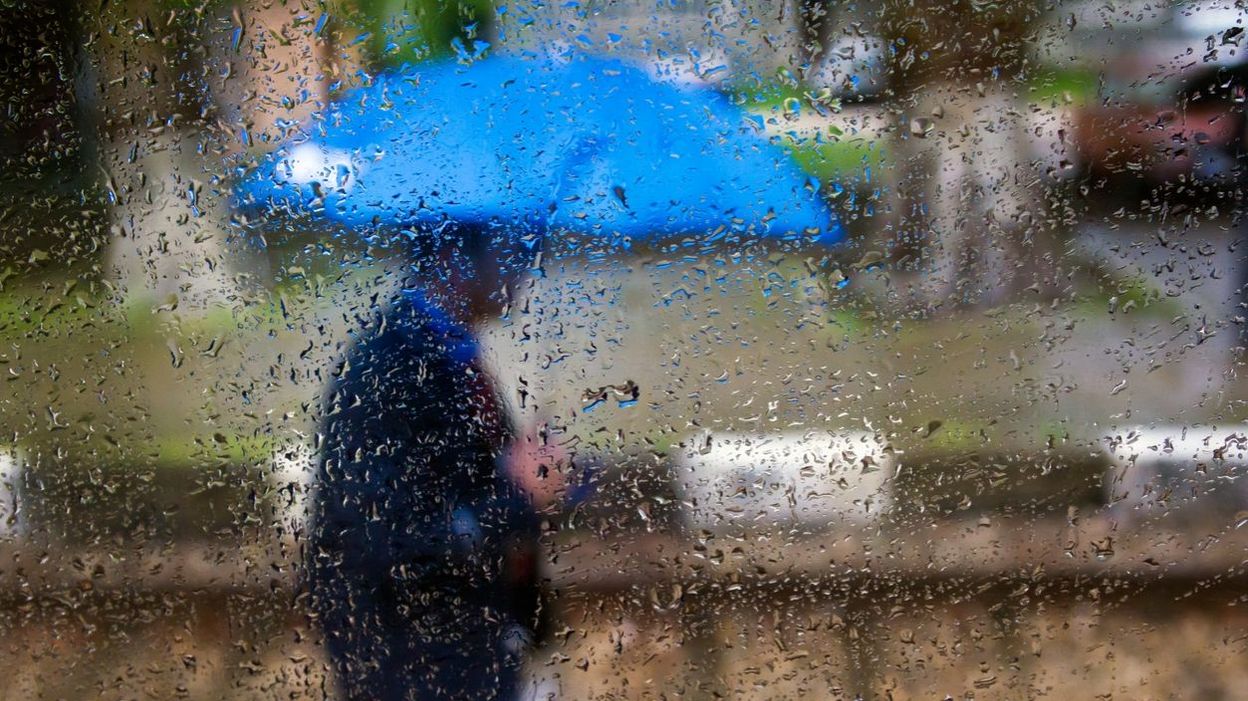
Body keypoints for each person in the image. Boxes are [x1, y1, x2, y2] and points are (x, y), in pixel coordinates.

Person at [306, 225, 541, 701]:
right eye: (511, 253)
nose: (524, 271)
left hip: (466, 637)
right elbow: (385, 531)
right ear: (456, 259)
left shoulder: (454, 354)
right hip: (411, 645)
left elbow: (468, 480)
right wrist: (519, 491)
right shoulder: (389, 362)